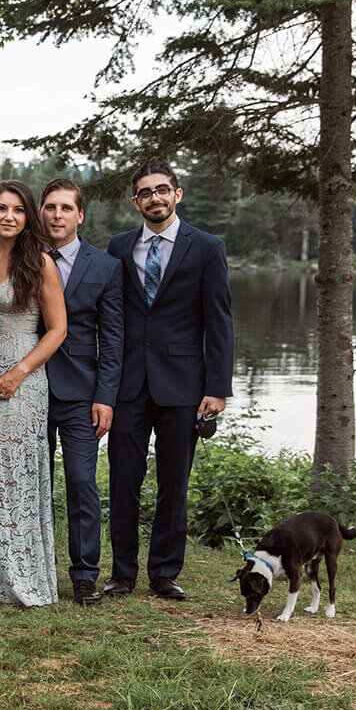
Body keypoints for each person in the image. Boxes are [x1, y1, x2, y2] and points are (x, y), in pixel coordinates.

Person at [105, 159, 234, 600]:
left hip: (184, 384)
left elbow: (219, 322)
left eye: (163, 189)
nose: (154, 198)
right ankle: (122, 573)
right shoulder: (119, 247)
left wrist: (217, 388)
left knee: (174, 482)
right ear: (136, 200)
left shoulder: (207, 247)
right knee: (123, 479)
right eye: (145, 192)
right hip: (128, 383)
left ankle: (164, 573)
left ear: (177, 194)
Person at [0, 181, 67, 606]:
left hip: (21, 382)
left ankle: (20, 576)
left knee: (13, 474)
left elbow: (58, 329)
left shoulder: (40, 264)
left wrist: (19, 372)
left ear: (28, 218)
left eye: (18, 210)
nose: (8, 216)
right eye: (1, 208)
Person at [39, 178, 124, 607]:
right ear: (42, 212)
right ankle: (32, 569)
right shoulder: (25, 259)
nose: (57, 215)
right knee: (33, 483)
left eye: (65, 208)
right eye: (50, 207)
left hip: (80, 395)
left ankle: (85, 575)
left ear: (80, 215)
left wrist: (105, 397)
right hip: (30, 389)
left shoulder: (105, 267)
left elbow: (112, 340)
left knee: (81, 482)